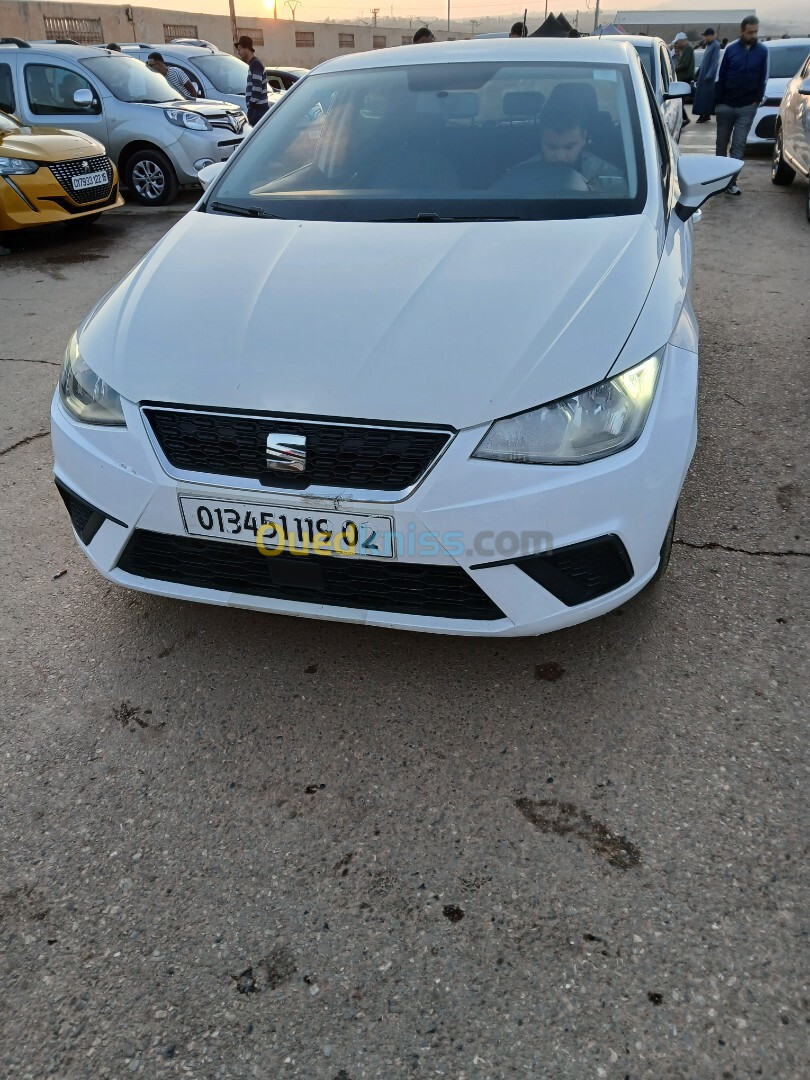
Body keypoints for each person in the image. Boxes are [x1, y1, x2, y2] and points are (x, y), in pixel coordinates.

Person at [715, 16, 769, 196]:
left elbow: (763, 77)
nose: (753, 35)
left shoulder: (762, 51)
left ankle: (731, 182)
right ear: (741, 31)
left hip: (747, 106)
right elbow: (721, 76)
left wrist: (756, 100)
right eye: (750, 32)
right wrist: (719, 101)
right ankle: (719, 181)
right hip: (726, 105)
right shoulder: (730, 50)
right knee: (721, 144)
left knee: (738, 146)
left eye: (755, 32)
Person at [536, 101, 623, 191]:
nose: (560, 157)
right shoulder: (521, 176)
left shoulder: (609, 180)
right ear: (541, 139)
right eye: (552, 147)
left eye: (569, 147)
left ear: (584, 138)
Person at [235, 35, 269, 126]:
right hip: (257, 110)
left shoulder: (255, 64)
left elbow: (257, 88)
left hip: (258, 111)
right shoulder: (254, 64)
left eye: (239, 49)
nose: (238, 52)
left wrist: (251, 107)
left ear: (246, 48)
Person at [693, 28, 720, 122]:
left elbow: (714, 62)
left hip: (708, 78)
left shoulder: (716, 45)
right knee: (701, 97)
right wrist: (698, 73)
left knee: (705, 98)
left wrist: (709, 75)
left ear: (712, 36)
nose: (705, 38)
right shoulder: (708, 46)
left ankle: (703, 115)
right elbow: (704, 61)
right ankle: (705, 115)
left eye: (706, 36)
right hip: (703, 75)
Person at [672, 33, 695, 127]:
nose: (677, 45)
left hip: (685, 77)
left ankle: (685, 118)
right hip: (684, 76)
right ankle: (684, 118)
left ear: (681, 41)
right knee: (680, 99)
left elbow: (685, 65)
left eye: (677, 43)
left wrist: (674, 69)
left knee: (679, 99)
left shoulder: (688, 49)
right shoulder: (686, 49)